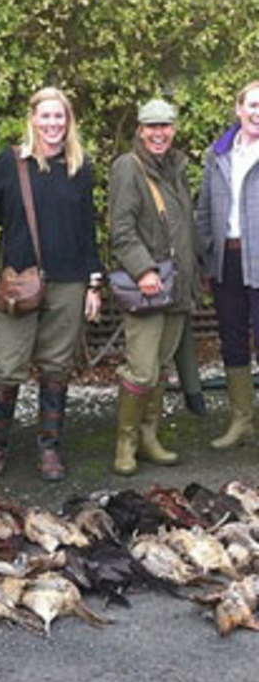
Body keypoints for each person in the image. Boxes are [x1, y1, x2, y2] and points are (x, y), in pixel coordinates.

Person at [0, 86, 102, 482]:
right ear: (32, 118)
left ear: (68, 121)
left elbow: (87, 226)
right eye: (45, 116)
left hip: (69, 281)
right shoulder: (10, 162)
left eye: (59, 116)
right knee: (6, 366)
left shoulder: (79, 166)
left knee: (56, 366)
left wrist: (94, 283)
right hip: (19, 280)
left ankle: (49, 448)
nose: (52, 123)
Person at [109, 98, 199, 475]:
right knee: (142, 370)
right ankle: (125, 444)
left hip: (177, 285)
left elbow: (185, 227)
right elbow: (121, 230)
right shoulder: (128, 167)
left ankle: (149, 438)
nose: (159, 133)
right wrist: (143, 270)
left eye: (165, 126)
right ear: (140, 130)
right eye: (152, 127)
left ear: (173, 129)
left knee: (161, 368)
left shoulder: (175, 168)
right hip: (149, 286)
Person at [198, 80, 259, 449]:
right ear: (239, 109)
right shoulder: (218, 153)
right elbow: (204, 209)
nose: (258, 113)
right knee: (233, 339)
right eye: (252, 105)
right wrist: (208, 259)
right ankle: (242, 421)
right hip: (227, 260)